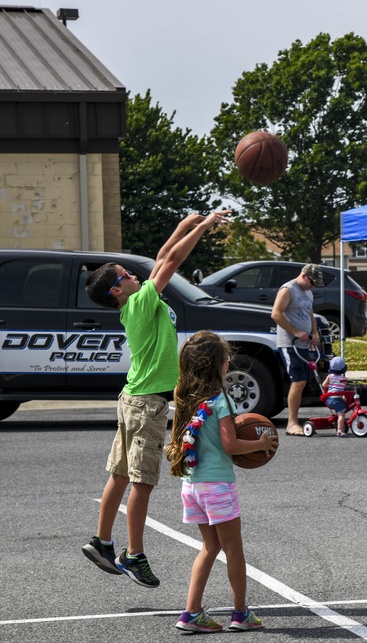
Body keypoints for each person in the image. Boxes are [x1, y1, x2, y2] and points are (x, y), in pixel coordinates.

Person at [81, 210, 230, 589]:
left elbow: (163, 254)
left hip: (133, 398)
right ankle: (134, 555)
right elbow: (173, 261)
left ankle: (101, 541)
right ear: (117, 290)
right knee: (142, 482)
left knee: (119, 474)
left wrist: (185, 223)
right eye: (125, 276)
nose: (133, 275)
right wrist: (205, 225)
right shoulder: (142, 302)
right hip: (146, 404)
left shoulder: (136, 300)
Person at [164, 331, 278, 633]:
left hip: (191, 485)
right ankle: (240, 613)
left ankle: (191, 613)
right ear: (216, 365)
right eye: (226, 358)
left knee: (209, 547)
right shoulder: (220, 400)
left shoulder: (183, 395)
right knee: (233, 549)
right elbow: (230, 445)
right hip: (217, 486)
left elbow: (179, 441)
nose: (229, 361)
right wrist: (260, 444)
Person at [272, 264, 323, 436]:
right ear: (303, 275)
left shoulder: (308, 293)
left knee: (303, 383)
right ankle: (291, 423)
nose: (313, 286)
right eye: (312, 282)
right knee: (298, 381)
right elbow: (276, 314)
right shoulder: (288, 290)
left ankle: (295, 420)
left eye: (316, 284)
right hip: (289, 343)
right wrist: (295, 332)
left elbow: (310, 315)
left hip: (305, 344)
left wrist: (314, 333)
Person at [322, 356, 350, 437]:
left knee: (340, 411)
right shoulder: (344, 378)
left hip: (329, 398)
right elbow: (343, 388)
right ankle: (339, 431)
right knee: (342, 414)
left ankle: (341, 427)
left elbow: (324, 385)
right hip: (337, 399)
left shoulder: (330, 376)